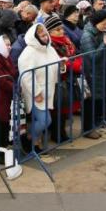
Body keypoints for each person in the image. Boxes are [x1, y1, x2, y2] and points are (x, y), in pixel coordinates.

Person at [17, 22, 61, 155]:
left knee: (42, 120)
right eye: (42, 36)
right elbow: (27, 76)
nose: (46, 38)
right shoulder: (29, 52)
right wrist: (36, 93)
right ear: (35, 37)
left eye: (46, 35)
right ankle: (29, 137)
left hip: (49, 90)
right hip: (36, 93)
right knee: (45, 120)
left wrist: (62, 63)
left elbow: (55, 63)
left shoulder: (49, 48)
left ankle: (35, 143)